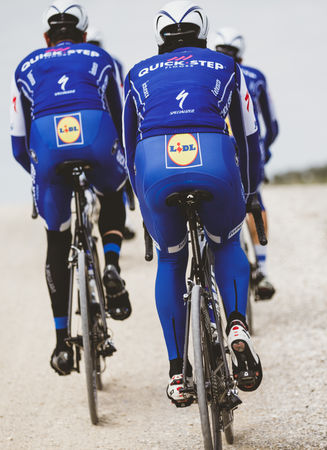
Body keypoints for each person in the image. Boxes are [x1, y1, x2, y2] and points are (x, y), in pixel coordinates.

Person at [123, 1, 263, 407]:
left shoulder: (137, 72)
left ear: (159, 37)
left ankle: (177, 371)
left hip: (155, 166)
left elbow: (129, 146)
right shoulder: (226, 65)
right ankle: (235, 324)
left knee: (170, 259)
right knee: (226, 242)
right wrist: (250, 192)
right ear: (203, 33)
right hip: (213, 156)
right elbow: (249, 135)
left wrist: (143, 203)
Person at [10, 0, 132, 376]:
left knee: (57, 240)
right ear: (83, 33)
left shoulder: (25, 66)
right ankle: (112, 264)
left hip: (48, 147)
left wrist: (41, 176)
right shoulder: (102, 57)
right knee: (113, 192)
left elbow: (18, 143)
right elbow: (121, 118)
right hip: (95, 135)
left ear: (46, 37)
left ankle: (62, 342)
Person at [215, 27, 279, 300]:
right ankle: (262, 269)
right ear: (241, 55)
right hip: (250, 153)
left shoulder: (210, 73)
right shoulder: (255, 76)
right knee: (255, 201)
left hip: (216, 150)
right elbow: (272, 125)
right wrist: (265, 150)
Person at [86, 26, 136, 241]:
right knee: (118, 171)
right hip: (106, 123)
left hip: (83, 125)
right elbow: (121, 97)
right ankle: (122, 220)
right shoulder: (111, 61)